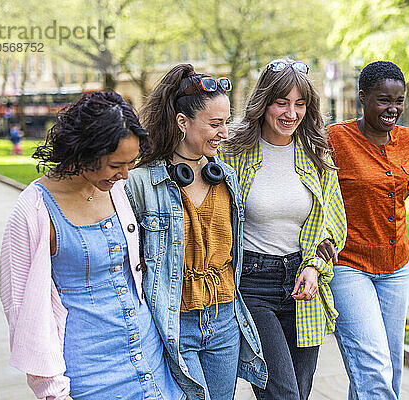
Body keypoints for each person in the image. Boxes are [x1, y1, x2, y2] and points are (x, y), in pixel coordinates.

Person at [0, 91, 185, 399]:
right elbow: (22, 309)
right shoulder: (34, 208)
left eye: (131, 163)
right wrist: (52, 390)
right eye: (116, 164)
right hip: (88, 373)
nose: (126, 174)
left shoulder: (118, 189)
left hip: (150, 360)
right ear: (83, 151)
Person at [125, 64, 266, 400]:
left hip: (225, 319)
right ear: (182, 122)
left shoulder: (227, 178)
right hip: (174, 322)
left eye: (226, 122)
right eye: (215, 124)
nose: (225, 132)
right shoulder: (141, 182)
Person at [219, 58, 347, 400]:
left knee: (300, 393)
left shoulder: (315, 153)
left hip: (303, 285)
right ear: (264, 102)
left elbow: (335, 222)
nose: (291, 113)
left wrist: (314, 268)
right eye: (282, 102)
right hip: (252, 283)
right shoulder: (233, 151)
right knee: (283, 394)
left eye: (300, 104)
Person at [327, 61, 409, 400]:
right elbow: (315, 193)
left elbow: (399, 193)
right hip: (349, 265)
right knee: (373, 367)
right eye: (383, 100)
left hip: (398, 267)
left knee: (390, 366)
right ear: (362, 98)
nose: (392, 108)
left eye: (399, 100)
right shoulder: (335, 139)